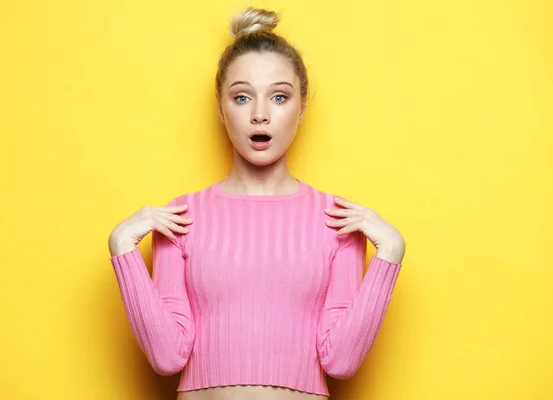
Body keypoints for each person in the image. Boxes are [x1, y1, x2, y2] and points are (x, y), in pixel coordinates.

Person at [108, 6, 406, 400]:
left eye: (279, 97)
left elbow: (341, 362)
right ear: (220, 107)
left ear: (301, 108)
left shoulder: (338, 220)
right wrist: (122, 248)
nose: (261, 115)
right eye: (242, 97)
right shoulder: (181, 216)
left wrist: (390, 253)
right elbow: (167, 357)